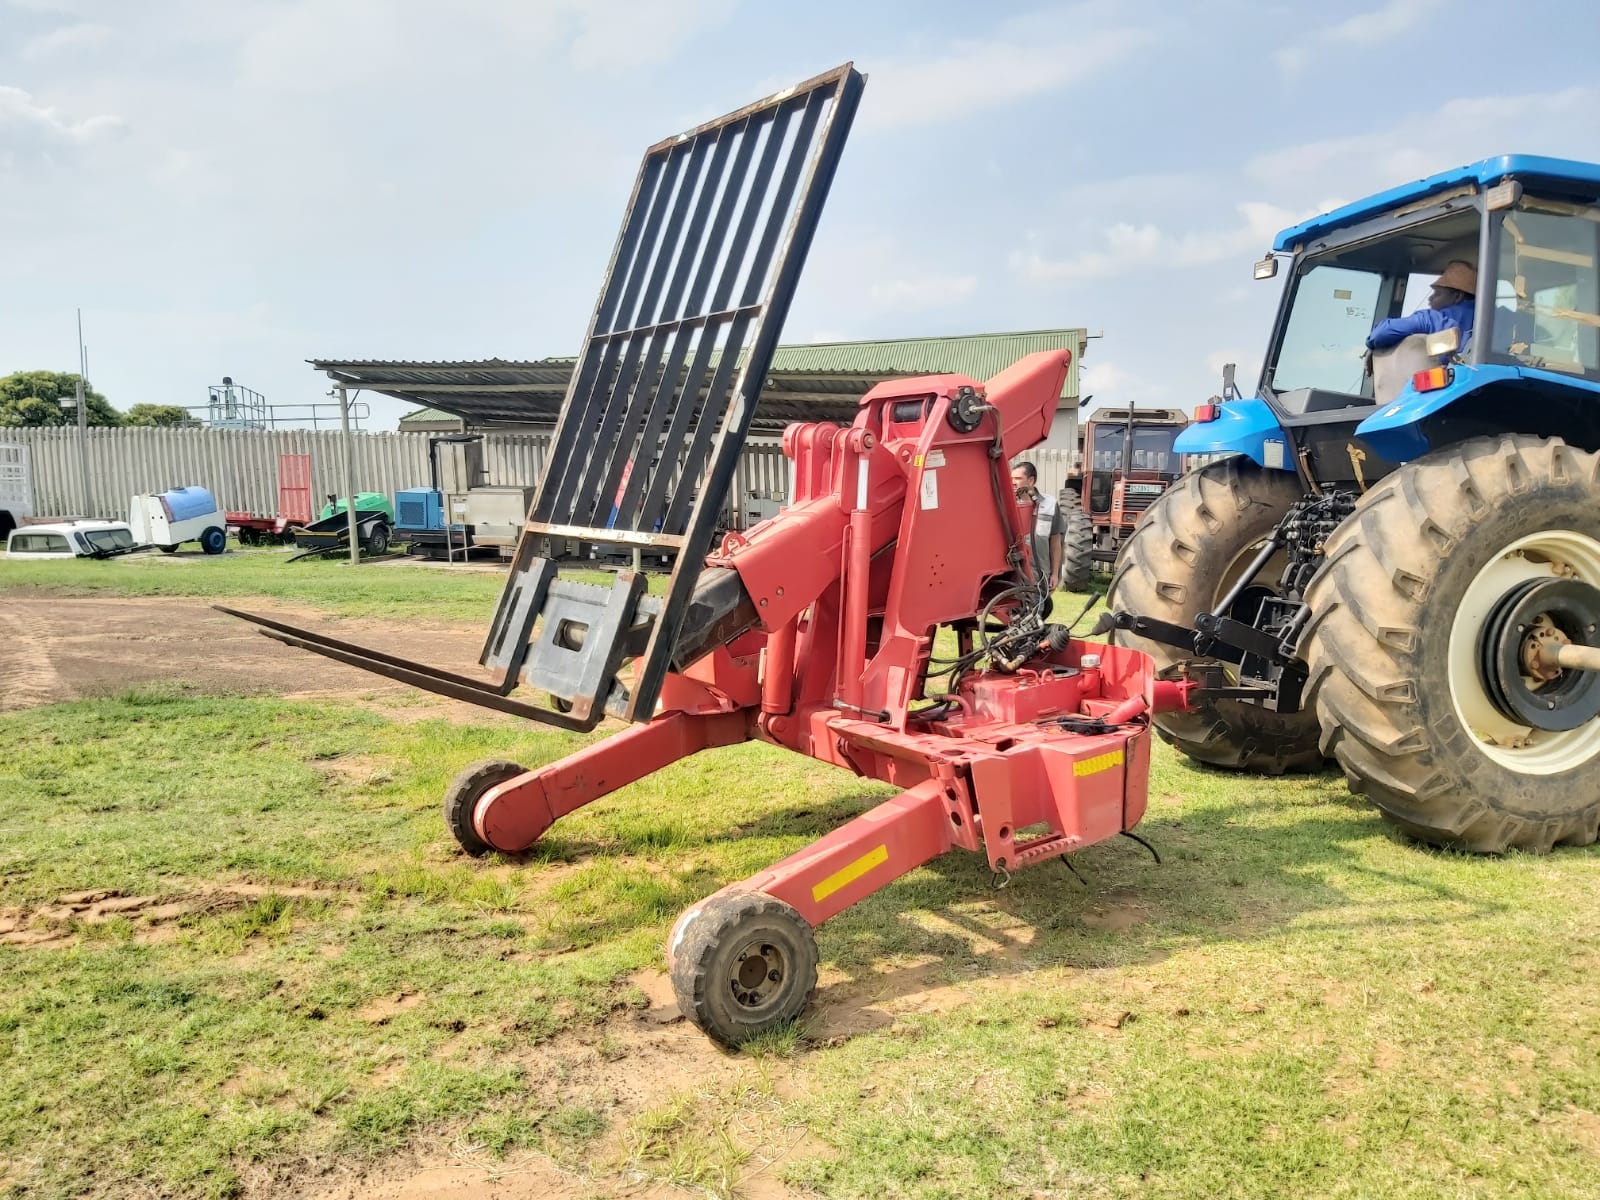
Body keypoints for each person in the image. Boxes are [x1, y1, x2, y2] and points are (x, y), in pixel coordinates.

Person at [1366, 260, 1476, 363]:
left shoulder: (1434, 319)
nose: (1430, 298)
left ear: (1457, 296)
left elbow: (1381, 333)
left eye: (1437, 294)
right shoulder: (1490, 321)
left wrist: (1373, 345)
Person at [1011, 461, 1063, 593]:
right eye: (1011, 478)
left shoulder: (1050, 504)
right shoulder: (1008, 505)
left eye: (1017, 479)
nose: (1013, 482)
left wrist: (1055, 574)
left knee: (1038, 610)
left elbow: (1055, 542)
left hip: (1040, 573)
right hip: (1015, 573)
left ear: (1031, 480)